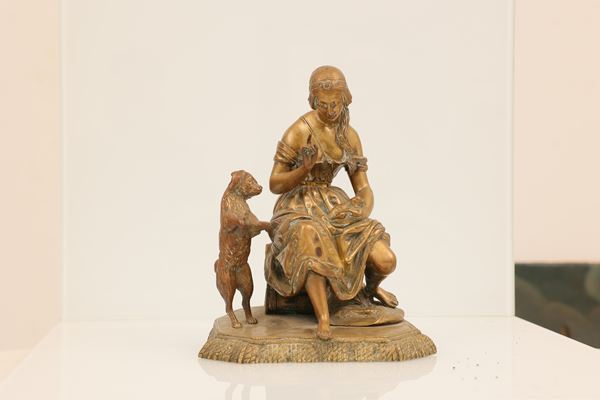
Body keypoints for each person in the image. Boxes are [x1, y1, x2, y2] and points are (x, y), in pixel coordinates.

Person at [265, 66, 398, 340]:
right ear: (313, 101)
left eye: (335, 104)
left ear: (345, 99)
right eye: (323, 105)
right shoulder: (298, 131)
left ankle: (369, 290)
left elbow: (363, 188)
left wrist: (359, 208)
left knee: (385, 259)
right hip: (296, 206)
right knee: (311, 236)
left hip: (335, 206)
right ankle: (324, 318)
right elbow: (275, 183)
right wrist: (304, 169)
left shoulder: (349, 136)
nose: (330, 110)